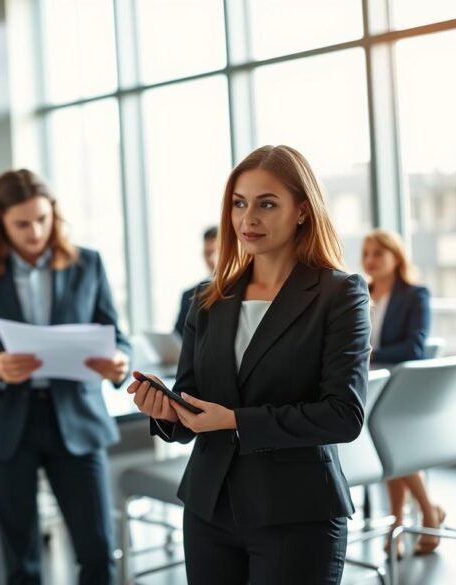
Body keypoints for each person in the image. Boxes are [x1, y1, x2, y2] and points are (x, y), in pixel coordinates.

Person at [129, 145, 369, 585]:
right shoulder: (208, 298)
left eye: (267, 204)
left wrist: (236, 421)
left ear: (301, 210)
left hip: (296, 514)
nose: (248, 218)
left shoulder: (340, 295)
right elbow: (191, 404)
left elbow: (343, 416)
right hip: (209, 508)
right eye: (239, 203)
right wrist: (167, 414)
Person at [0, 169, 131, 585]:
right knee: (22, 563)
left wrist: (119, 360)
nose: (35, 232)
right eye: (22, 224)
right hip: (8, 426)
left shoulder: (88, 264)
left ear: (55, 215)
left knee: (99, 553)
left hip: (78, 420)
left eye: (43, 220)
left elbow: (117, 337)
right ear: (0, 223)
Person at [362, 228, 440, 555]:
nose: (370, 260)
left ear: (396, 256)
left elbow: (415, 347)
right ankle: (418, 516)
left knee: (387, 436)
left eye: (378, 253)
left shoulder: (414, 294)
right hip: (369, 383)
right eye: (366, 254)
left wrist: (371, 355)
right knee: (387, 440)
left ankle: (413, 518)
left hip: (402, 385)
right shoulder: (359, 293)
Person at [174, 226, 218, 337]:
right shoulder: (189, 295)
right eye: (207, 253)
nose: (211, 259)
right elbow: (178, 335)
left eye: (215, 252)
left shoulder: (244, 289)